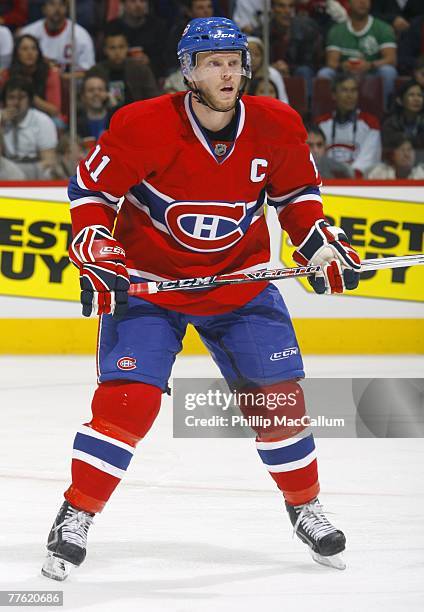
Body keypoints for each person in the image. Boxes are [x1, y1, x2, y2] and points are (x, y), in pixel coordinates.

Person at [41, 17, 361, 582]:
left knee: (278, 402)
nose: (229, 72)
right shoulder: (142, 125)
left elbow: (298, 200)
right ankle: (76, 514)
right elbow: (92, 192)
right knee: (128, 403)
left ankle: (305, 506)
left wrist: (320, 243)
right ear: (188, 69)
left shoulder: (277, 124)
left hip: (239, 282)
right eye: (214, 62)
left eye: (236, 61)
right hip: (151, 285)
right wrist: (95, 241)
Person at [318, 0, 397, 108]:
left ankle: (386, 110)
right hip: (344, 75)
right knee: (324, 73)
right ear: (349, 3)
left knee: (388, 71)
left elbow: (391, 59)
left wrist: (370, 65)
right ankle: (328, 113)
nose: (362, 2)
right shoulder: (337, 30)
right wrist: (343, 66)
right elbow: (331, 62)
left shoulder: (383, 28)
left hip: (371, 73)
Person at [316, 73, 381, 176]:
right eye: (344, 90)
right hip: (326, 181)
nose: (349, 95)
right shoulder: (321, 123)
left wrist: (351, 175)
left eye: (353, 90)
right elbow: (316, 156)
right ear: (334, 95)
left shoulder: (370, 123)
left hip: (358, 183)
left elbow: (370, 157)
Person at [254, 0, 322, 97]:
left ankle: (307, 109)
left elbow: (311, 63)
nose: (287, 11)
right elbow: (256, 62)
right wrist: (273, 67)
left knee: (304, 71)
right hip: (270, 71)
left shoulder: (306, 31)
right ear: (272, 9)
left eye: (290, 7)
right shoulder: (261, 32)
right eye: (281, 6)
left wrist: (288, 68)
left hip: (296, 72)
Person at [0, 76, 58, 179]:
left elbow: (49, 161)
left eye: (21, 97)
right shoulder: (1, 118)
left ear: (30, 100)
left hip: (35, 169)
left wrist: (20, 170)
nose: (16, 103)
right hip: (7, 169)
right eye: (11, 97)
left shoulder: (42, 120)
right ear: (4, 101)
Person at [87, 29, 159, 111]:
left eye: (121, 47)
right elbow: (86, 100)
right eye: (112, 48)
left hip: (136, 115)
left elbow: (152, 98)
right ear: (105, 50)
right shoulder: (95, 72)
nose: (117, 52)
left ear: (127, 48)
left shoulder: (141, 69)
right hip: (104, 116)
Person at [20, 0, 95, 75]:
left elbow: (88, 72)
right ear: (44, 9)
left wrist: (60, 77)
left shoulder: (80, 35)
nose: (57, 8)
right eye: (52, 4)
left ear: (67, 9)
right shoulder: (28, 33)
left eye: (62, 4)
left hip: (70, 85)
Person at [1, 34, 62, 121]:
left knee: (58, 122)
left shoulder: (50, 73)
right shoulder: (7, 75)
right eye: (24, 49)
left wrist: (29, 96)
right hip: (13, 116)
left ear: (38, 53)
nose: (30, 53)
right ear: (17, 53)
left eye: (34, 48)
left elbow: (55, 110)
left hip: (44, 118)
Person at [105, 0, 168, 79]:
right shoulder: (112, 28)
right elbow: (105, 58)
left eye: (142, 1)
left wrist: (150, 61)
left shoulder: (159, 26)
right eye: (133, 1)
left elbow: (166, 58)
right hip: (118, 76)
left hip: (152, 76)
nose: (138, 5)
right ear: (123, 4)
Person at [382, 79, 424, 161]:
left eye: (420, 95)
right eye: (411, 95)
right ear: (400, 100)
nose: (416, 99)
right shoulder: (390, 123)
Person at [77, 75, 114, 150]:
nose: (96, 94)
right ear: (83, 96)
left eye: (100, 90)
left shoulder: (116, 120)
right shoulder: (75, 122)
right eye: (91, 90)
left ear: (107, 93)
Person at [247, 36, 288, 103]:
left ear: (263, 57)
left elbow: (283, 100)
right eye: (249, 55)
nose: (253, 59)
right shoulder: (236, 75)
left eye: (257, 55)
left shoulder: (273, 74)